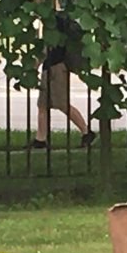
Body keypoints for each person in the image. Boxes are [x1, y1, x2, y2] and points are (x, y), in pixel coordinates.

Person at [31, 12, 95, 150]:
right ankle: (40, 139)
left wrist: (35, 65)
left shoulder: (54, 24)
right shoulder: (52, 23)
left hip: (57, 67)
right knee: (42, 105)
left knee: (62, 104)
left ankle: (86, 131)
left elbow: (47, 49)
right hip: (49, 67)